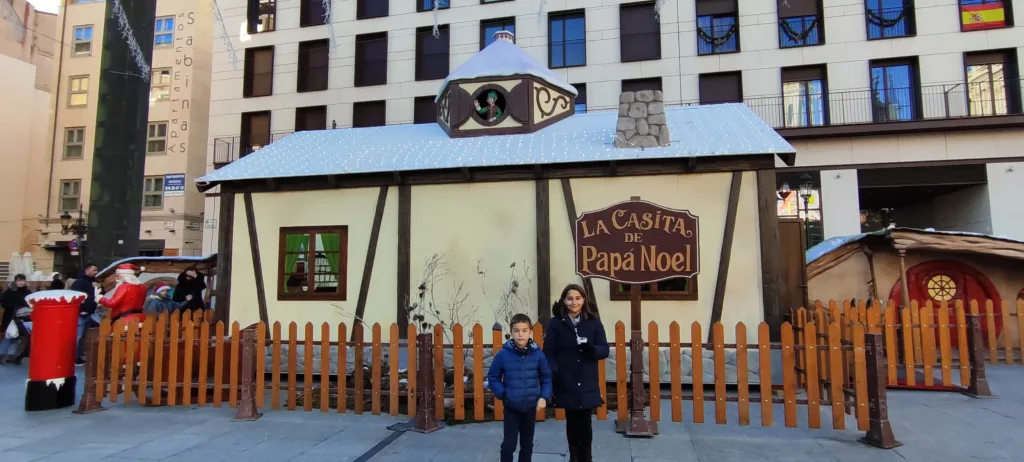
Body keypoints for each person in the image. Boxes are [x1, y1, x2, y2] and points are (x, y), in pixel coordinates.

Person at [543, 284, 609, 462]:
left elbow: (604, 349)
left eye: (578, 298)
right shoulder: (556, 323)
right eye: (570, 298)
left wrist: (591, 349)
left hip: (587, 379)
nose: (574, 302)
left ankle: (587, 457)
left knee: (585, 422)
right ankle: (574, 457)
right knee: (571, 421)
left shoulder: (593, 322)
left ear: (584, 300)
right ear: (564, 301)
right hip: (566, 379)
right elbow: (548, 351)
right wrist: (555, 371)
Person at [488, 313, 552, 462]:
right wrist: (503, 394)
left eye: (524, 330)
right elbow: (493, 377)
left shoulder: (538, 355)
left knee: (527, 443)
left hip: (530, 407)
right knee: (509, 445)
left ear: (530, 332)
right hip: (511, 407)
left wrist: (544, 397)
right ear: (511, 332)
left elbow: (546, 377)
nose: (520, 334)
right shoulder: (503, 355)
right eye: (516, 331)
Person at [70, 263, 99, 366]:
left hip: (88, 313)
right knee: (77, 336)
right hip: (81, 314)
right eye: (94, 270)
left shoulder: (91, 283)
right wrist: (81, 309)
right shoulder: (80, 283)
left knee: (82, 337)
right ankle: (72, 358)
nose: (96, 272)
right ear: (87, 271)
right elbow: (76, 297)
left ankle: (77, 357)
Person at [0, 274, 32, 364]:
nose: (21, 282)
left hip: (23, 317)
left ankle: (11, 355)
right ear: (15, 281)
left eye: (22, 280)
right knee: (9, 335)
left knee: (16, 336)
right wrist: (14, 307)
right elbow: (3, 303)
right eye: (19, 281)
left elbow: (30, 303)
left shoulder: (27, 292)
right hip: (10, 316)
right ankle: (2, 354)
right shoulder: (9, 292)